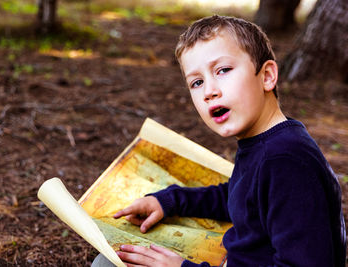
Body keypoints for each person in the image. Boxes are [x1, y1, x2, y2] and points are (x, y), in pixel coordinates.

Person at [93, 15, 346, 267]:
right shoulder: (265, 144)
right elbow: (240, 198)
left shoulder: (285, 159)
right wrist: (169, 201)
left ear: (267, 76)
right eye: (197, 82)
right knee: (113, 258)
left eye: (223, 70)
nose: (209, 91)